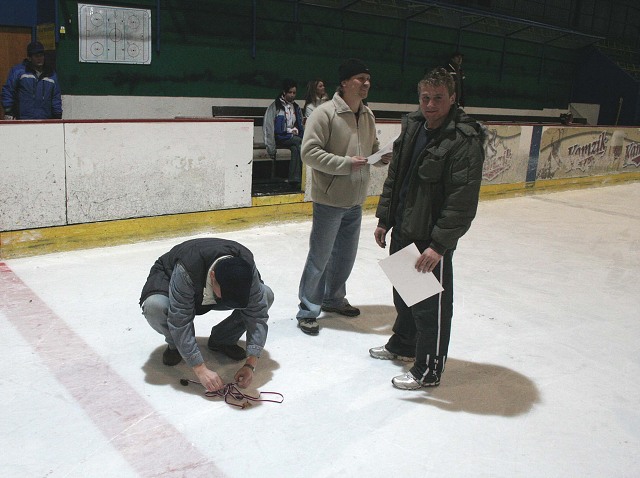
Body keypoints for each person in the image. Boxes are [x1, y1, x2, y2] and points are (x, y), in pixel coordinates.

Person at [371, 67, 485, 389]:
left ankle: (429, 369)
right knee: (405, 296)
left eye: (437, 98)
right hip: (404, 227)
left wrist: (439, 246)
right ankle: (405, 344)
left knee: (430, 308)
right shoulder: (413, 127)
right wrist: (385, 219)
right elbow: (396, 177)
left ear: (452, 98)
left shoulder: (464, 139)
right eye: (425, 97)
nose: (430, 104)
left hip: (429, 237)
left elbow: (462, 200)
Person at [296, 58, 390, 336]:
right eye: (360, 79)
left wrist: (381, 158)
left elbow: (371, 149)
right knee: (320, 256)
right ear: (346, 82)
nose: (366, 84)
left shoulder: (368, 116)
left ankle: (334, 298)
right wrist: (346, 163)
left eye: (368, 79)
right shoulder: (324, 114)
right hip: (329, 199)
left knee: (345, 256)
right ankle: (308, 309)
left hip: (355, 199)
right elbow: (309, 153)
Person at [139, 238, 274, 392]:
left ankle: (223, 339)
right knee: (155, 305)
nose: (228, 302)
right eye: (226, 297)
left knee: (265, 295)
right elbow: (180, 321)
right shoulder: (187, 268)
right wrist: (200, 369)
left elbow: (257, 315)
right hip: (174, 278)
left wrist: (251, 364)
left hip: (208, 284)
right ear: (213, 276)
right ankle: (175, 346)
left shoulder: (247, 266)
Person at [1, 41, 62, 120]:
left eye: (41, 55)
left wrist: (57, 115)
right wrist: (8, 110)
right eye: (36, 56)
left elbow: (56, 97)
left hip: (45, 120)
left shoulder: (51, 75)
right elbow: (8, 90)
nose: (39, 58)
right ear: (29, 58)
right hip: (21, 119)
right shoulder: (18, 71)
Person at [263, 79, 305, 188]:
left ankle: (294, 179)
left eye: (294, 93)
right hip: (280, 137)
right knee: (301, 143)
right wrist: (271, 148)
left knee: (296, 148)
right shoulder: (275, 107)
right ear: (284, 92)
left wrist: (296, 130)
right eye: (290, 92)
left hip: (292, 137)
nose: (292, 95)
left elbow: (299, 124)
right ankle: (302, 177)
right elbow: (269, 127)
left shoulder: (296, 107)